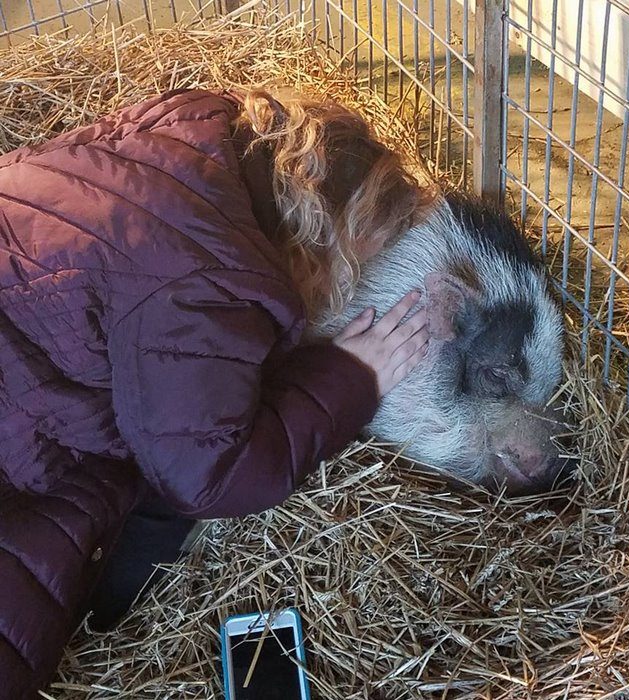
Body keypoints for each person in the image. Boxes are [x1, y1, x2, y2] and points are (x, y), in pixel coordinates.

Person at [0, 87, 434, 698]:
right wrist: (350, 377)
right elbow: (207, 476)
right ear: (322, 238)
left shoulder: (182, 131)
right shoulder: (205, 283)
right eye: (355, 264)